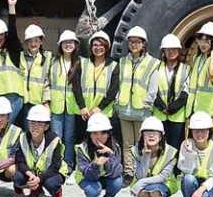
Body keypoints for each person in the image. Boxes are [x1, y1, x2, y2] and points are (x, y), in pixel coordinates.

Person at [114, 26, 160, 183]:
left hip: (142, 111)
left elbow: (153, 88)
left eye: (137, 42)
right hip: (124, 110)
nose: (134, 45)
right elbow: (118, 83)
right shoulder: (122, 62)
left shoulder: (153, 63)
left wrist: (147, 103)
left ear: (144, 44)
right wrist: (118, 102)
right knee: (127, 144)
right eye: (131, 42)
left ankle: (142, 172)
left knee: (142, 144)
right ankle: (129, 172)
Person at [14, 104, 68, 197]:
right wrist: (31, 176)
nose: (35, 127)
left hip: (52, 173)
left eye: (39, 124)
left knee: (51, 184)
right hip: (34, 173)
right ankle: (36, 191)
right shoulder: (23, 138)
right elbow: (20, 161)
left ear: (46, 126)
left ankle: (57, 192)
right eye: (32, 123)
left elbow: (55, 166)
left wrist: (38, 179)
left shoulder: (54, 140)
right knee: (18, 177)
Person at [0, 0, 25, 125]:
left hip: (12, 97)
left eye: (1, 35)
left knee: (5, 129)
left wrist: (11, 7)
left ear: (5, 35)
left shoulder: (12, 51)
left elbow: (13, 32)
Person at [129, 116, 179, 197]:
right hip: (145, 182)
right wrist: (146, 157)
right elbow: (140, 176)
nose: (151, 136)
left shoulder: (170, 152)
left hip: (164, 184)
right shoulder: (135, 150)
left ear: (161, 136)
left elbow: (163, 177)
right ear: (142, 135)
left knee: (154, 191)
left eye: (155, 133)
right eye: (147, 133)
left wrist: (141, 183)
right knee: (141, 192)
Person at [75, 113, 123, 197]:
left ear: (108, 134)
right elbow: (87, 175)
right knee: (94, 190)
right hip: (88, 178)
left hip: (106, 177)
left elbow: (116, 172)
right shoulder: (82, 148)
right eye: (95, 133)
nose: (99, 137)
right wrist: (95, 165)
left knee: (118, 182)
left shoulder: (115, 146)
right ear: (90, 134)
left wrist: (110, 155)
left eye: (103, 133)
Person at [48, 30, 81, 171]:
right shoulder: (53, 61)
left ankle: (68, 165)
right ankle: (56, 164)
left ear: (75, 44)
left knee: (69, 137)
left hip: (72, 106)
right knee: (56, 137)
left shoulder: (80, 62)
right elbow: (46, 82)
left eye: (71, 42)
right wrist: (46, 101)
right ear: (60, 45)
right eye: (65, 42)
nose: (68, 45)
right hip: (56, 105)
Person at [150, 34, 190, 150]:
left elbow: (186, 91)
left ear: (178, 50)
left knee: (175, 148)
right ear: (163, 51)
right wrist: (162, 107)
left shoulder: (186, 69)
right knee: (160, 148)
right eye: (168, 49)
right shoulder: (156, 68)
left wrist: (173, 107)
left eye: (174, 49)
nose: (171, 52)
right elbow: (152, 90)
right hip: (160, 115)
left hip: (177, 116)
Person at [186, 22, 213, 133]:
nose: (203, 44)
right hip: (195, 108)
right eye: (200, 40)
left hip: (209, 111)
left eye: (207, 41)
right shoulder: (197, 59)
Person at [75, 31, 118, 126]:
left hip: (103, 113)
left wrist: (99, 108)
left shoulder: (114, 66)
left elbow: (113, 90)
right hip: (84, 113)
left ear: (107, 47)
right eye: (95, 45)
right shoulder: (82, 63)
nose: (98, 48)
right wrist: (82, 107)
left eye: (101, 45)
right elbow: (76, 87)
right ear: (91, 47)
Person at [20, 24, 52, 126]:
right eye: (30, 41)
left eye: (36, 40)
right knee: (26, 130)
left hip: (38, 102)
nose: (33, 44)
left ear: (41, 41)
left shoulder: (47, 58)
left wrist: (46, 102)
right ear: (26, 42)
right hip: (23, 102)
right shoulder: (20, 56)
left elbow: (46, 81)